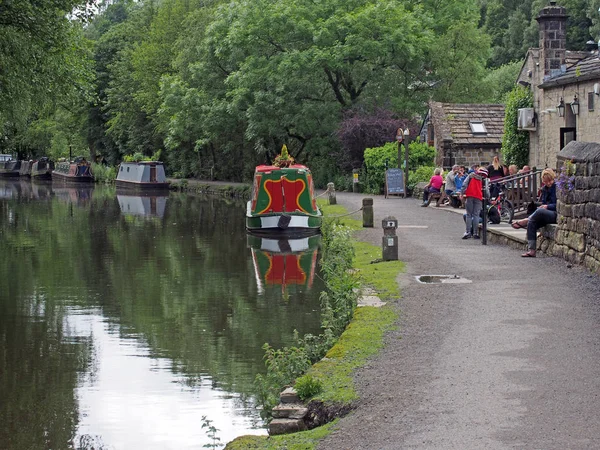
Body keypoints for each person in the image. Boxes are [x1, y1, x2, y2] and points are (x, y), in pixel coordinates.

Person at [510, 168, 557, 257]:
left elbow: (558, 205)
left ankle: (526, 220)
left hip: (555, 214)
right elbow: (544, 203)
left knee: (539, 212)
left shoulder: (557, 188)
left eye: (549, 181)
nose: (548, 183)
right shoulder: (544, 189)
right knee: (532, 222)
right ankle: (532, 250)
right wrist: (544, 206)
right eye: (546, 182)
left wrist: (547, 206)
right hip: (546, 213)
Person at [460, 167, 488, 239]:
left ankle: (468, 232)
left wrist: (462, 193)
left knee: (469, 215)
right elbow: (487, 190)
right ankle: (475, 233)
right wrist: (487, 197)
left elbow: (464, 184)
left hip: (470, 195)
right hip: (479, 197)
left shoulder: (471, 175)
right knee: (476, 215)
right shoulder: (484, 179)